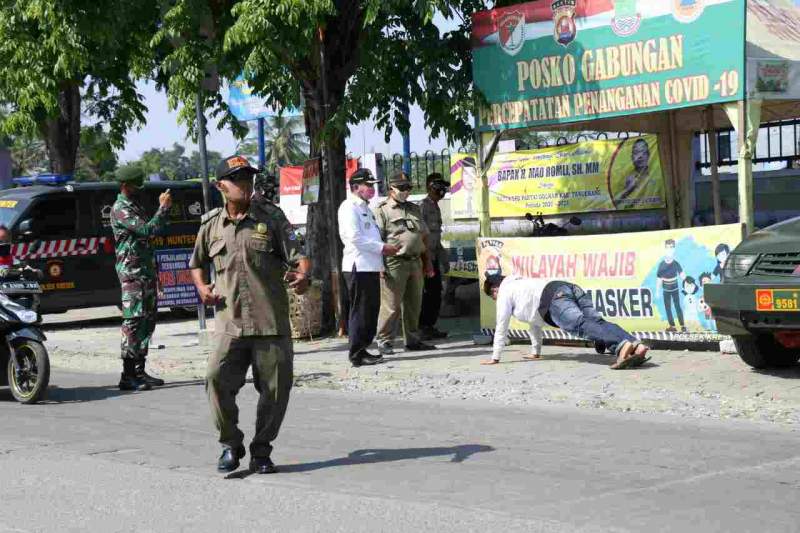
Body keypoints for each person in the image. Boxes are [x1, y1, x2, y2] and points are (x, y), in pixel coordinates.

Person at [189, 155, 311, 475]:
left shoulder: (271, 217)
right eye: (237, 179)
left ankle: (261, 450)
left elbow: (299, 258)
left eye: (248, 178)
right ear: (221, 186)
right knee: (215, 380)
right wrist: (202, 288)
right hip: (230, 322)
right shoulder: (211, 224)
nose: (245, 184)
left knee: (274, 391)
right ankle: (231, 443)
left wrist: (302, 277)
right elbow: (196, 263)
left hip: (269, 320)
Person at [480, 274, 650, 369]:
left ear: (495, 289)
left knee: (580, 325)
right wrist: (535, 352)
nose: (495, 299)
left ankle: (620, 347)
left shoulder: (505, 291)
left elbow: (501, 326)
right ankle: (636, 345)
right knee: (595, 321)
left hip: (553, 298)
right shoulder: (522, 284)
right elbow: (534, 324)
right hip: (567, 286)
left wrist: (495, 357)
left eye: (492, 296)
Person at [110, 164, 172, 392]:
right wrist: (162, 209)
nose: (139, 190)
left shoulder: (135, 206)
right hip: (132, 274)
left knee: (147, 321)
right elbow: (146, 230)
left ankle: (139, 371)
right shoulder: (121, 208)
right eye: (136, 186)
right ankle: (127, 375)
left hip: (145, 273)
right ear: (125, 186)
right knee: (133, 322)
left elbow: (152, 236)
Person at [338, 168, 399, 367]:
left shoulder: (365, 208)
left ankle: (363, 348)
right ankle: (356, 353)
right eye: (368, 185)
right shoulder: (349, 207)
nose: (372, 188)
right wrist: (383, 248)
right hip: (358, 266)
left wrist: (380, 260)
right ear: (356, 187)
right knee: (360, 311)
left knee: (370, 310)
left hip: (370, 266)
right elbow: (354, 238)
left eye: (373, 185)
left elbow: (371, 237)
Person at [373, 171, 436, 355]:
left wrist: (428, 262)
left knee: (414, 304)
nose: (406, 191)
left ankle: (413, 340)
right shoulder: (382, 210)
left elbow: (423, 236)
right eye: (401, 188)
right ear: (390, 188)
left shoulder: (414, 208)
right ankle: (385, 341)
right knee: (391, 305)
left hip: (415, 261)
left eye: (408, 188)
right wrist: (379, 266)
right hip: (394, 263)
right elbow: (377, 240)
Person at [419, 173, 449, 340]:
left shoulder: (435, 207)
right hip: (425, 259)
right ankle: (422, 327)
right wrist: (426, 260)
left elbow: (436, 237)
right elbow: (421, 235)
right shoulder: (423, 207)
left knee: (436, 293)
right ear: (431, 187)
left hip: (435, 257)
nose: (442, 191)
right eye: (439, 187)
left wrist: (444, 258)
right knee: (427, 294)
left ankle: (430, 325)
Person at [656, 239, 686, 333]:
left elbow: (683, 276)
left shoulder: (676, 264)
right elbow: (659, 279)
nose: (669, 250)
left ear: (674, 249)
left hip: (675, 289)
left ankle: (683, 325)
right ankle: (672, 325)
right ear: (665, 249)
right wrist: (657, 291)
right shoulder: (661, 265)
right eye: (668, 248)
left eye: (671, 247)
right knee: (668, 308)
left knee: (677, 307)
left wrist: (687, 283)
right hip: (666, 290)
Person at [617, 138, 650, 203]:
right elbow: (612, 204)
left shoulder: (657, 176)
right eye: (636, 152)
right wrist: (627, 190)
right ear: (632, 157)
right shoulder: (624, 179)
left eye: (643, 152)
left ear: (648, 155)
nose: (640, 156)